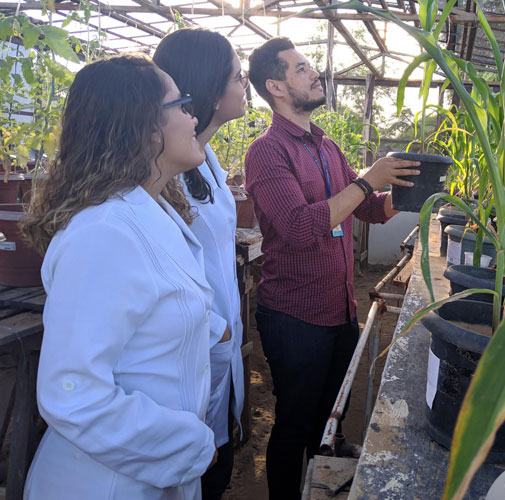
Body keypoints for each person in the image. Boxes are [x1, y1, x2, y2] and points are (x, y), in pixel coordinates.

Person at [21, 54, 217, 499]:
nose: (193, 117)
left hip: (149, 473)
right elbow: (73, 393)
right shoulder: (104, 234)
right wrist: (190, 445)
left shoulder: (148, 213)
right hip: (106, 483)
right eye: (182, 105)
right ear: (146, 126)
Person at [244, 37, 421, 499]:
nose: (314, 72)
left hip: (339, 308)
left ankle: (317, 487)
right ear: (275, 86)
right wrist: (368, 180)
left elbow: (364, 211)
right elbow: (301, 228)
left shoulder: (326, 146)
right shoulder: (266, 151)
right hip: (295, 316)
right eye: (301, 69)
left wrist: (407, 193)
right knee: (294, 423)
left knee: (328, 420)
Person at [153, 28, 246, 500]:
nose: (244, 83)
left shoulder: (205, 158)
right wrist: (218, 331)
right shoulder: (162, 174)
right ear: (209, 88)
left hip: (217, 356)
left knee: (217, 461)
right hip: (193, 355)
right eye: (237, 75)